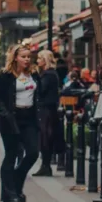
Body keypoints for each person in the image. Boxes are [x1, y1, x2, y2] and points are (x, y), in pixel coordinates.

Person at [0, 44, 40, 202]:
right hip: (11, 119)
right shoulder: (6, 76)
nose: (27, 59)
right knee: (11, 154)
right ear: (15, 58)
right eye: (23, 56)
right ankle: (9, 194)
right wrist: (4, 112)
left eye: (28, 56)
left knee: (33, 152)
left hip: (29, 118)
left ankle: (16, 181)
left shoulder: (34, 74)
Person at [34, 49, 61, 177]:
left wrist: (36, 78)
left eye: (40, 58)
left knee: (45, 137)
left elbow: (41, 90)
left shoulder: (48, 75)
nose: (37, 61)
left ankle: (46, 166)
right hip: (48, 109)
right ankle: (45, 166)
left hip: (47, 110)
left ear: (45, 60)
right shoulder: (50, 74)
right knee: (45, 137)